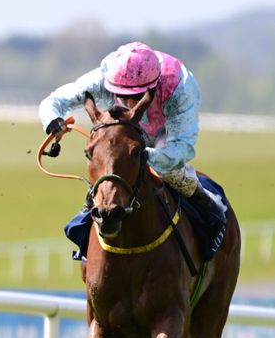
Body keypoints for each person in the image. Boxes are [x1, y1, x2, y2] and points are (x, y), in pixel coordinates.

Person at [39, 41, 227, 237]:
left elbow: (182, 148)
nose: (129, 103)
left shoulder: (180, 88)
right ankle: (91, 208)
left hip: (165, 132)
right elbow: (54, 101)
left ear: (153, 86)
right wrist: (52, 120)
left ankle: (208, 204)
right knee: (108, 160)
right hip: (125, 130)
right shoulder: (102, 78)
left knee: (172, 172)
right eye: (122, 95)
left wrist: (143, 155)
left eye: (137, 97)